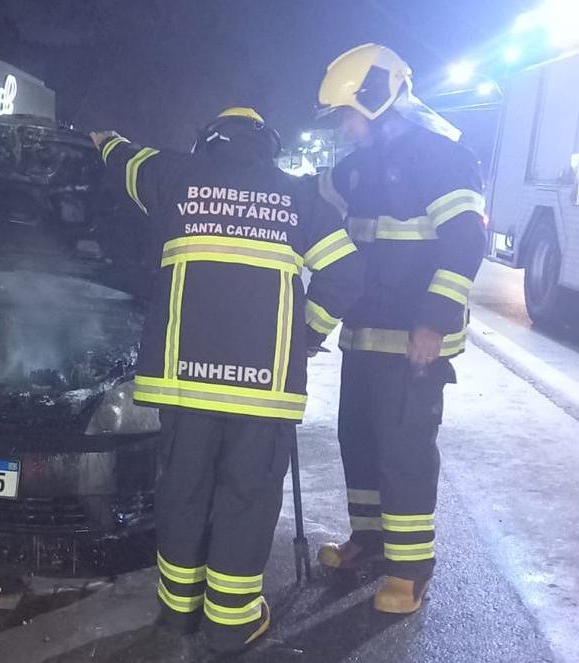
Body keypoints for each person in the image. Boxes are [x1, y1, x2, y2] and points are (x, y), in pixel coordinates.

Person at [91, 108, 363, 655]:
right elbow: (347, 273)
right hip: (262, 389)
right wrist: (304, 334)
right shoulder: (298, 196)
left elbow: (124, 160)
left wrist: (105, 139)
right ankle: (234, 622)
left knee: (183, 490)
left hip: (183, 383)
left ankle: (178, 611)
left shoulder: (173, 175)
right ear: (268, 145)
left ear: (208, 141)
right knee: (248, 495)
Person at [313, 43, 487, 613]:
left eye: (347, 112)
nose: (343, 125)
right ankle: (370, 542)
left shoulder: (440, 157)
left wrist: (434, 323)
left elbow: (466, 242)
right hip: (365, 335)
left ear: (376, 97)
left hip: (414, 340)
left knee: (404, 453)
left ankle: (410, 569)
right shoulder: (356, 168)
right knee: (358, 441)